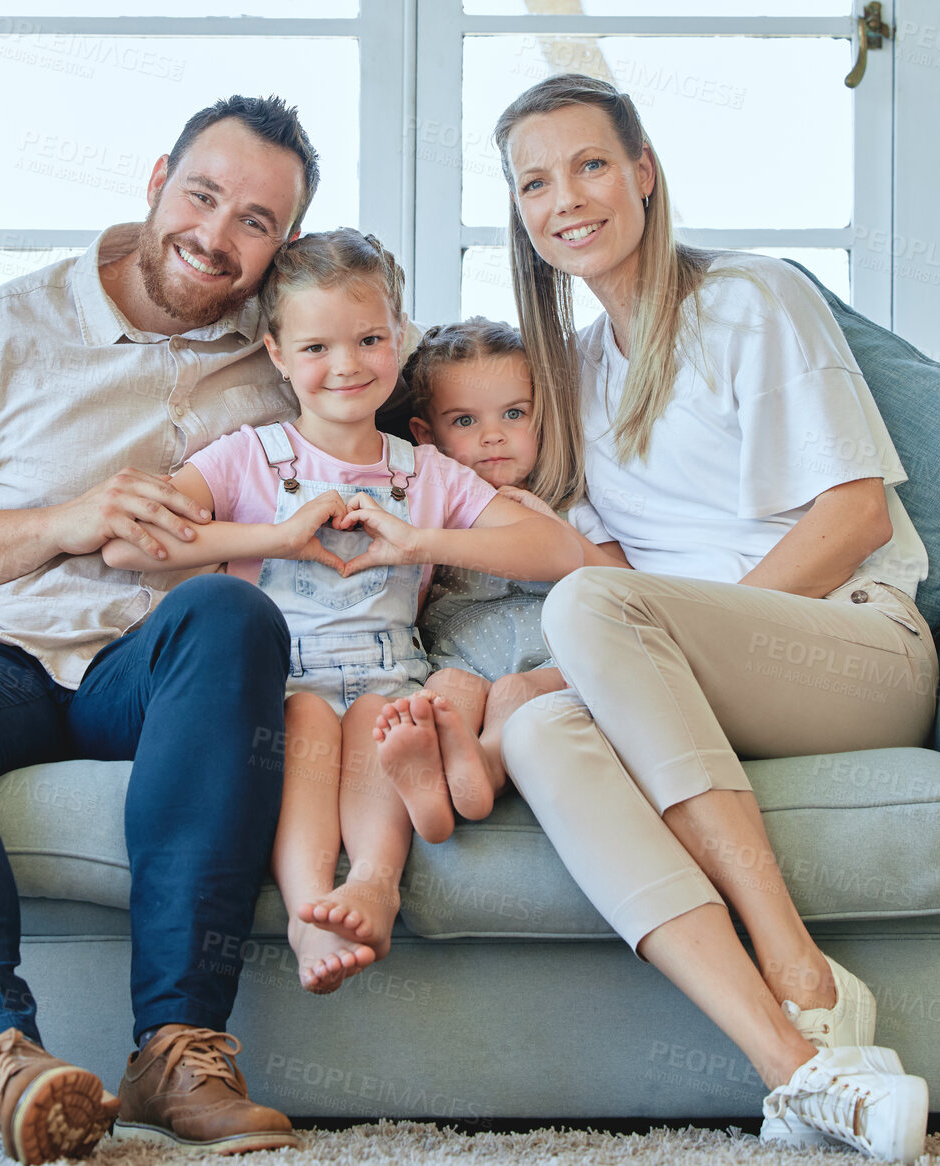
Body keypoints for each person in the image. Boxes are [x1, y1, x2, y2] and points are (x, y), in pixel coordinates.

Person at [0, 95, 327, 1161]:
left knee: (232, 614)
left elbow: (433, 425)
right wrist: (65, 520)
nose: (216, 234)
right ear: (155, 179)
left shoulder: (290, 355)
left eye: (256, 221)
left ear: (281, 247)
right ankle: (5, 1059)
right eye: (202, 194)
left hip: (151, 671)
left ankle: (180, 1048)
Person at [490, 74, 940, 1163]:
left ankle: (796, 964)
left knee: (584, 615)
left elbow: (851, 515)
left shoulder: (749, 298)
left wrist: (620, 637)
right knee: (537, 723)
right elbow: (606, 576)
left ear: (643, 173)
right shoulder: (577, 373)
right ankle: (793, 1063)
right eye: (535, 181)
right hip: (698, 676)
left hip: (850, 643)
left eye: (590, 164)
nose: (567, 198)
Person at [99, 231, 582, 995]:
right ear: (278, 354)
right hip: (284, 680)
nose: (348, 364)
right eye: (318, 346)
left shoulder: (427, 473)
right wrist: (275, 535)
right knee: (311, 725)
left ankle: (376, 887)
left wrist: (419, 539)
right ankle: (306, 910)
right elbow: (131, 547)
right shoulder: (247, 457)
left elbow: (560, 556)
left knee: (381, 726)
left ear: (398, 339)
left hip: (392, 672)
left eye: (369, 339)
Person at [367, 318, 622, 829]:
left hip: (558, 656)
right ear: (426, 435)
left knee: (516, 693)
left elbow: (626, 586)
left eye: (513, 414)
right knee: (449, 693)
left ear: (543, 418)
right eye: (464, 421)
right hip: (462, 654)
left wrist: (558, 534)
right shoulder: (431, 512)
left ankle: (486, 765)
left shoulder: (571, 505)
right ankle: (433, 784)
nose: (492, 436)